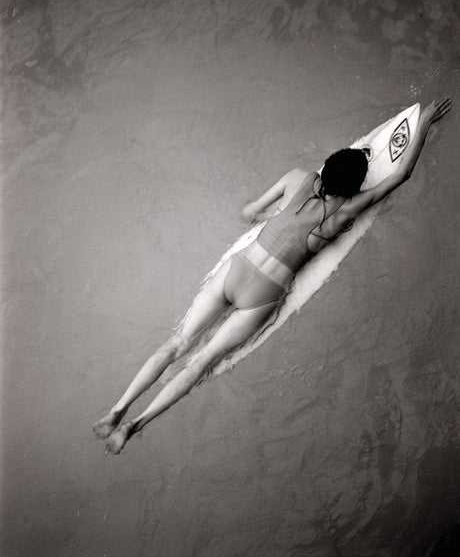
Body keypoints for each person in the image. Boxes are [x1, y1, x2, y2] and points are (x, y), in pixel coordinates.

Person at [94, 98, 451, 454]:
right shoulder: (346, 213)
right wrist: (424, 124)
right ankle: (131, 427)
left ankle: (115, 410)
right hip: (262, 298)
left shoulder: (297, 177)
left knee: (175, 345)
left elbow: (249, 212)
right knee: (200, 362)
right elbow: (402, 174)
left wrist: (272, 217)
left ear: (325, 167)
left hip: (234, 272)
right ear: (354, 188)